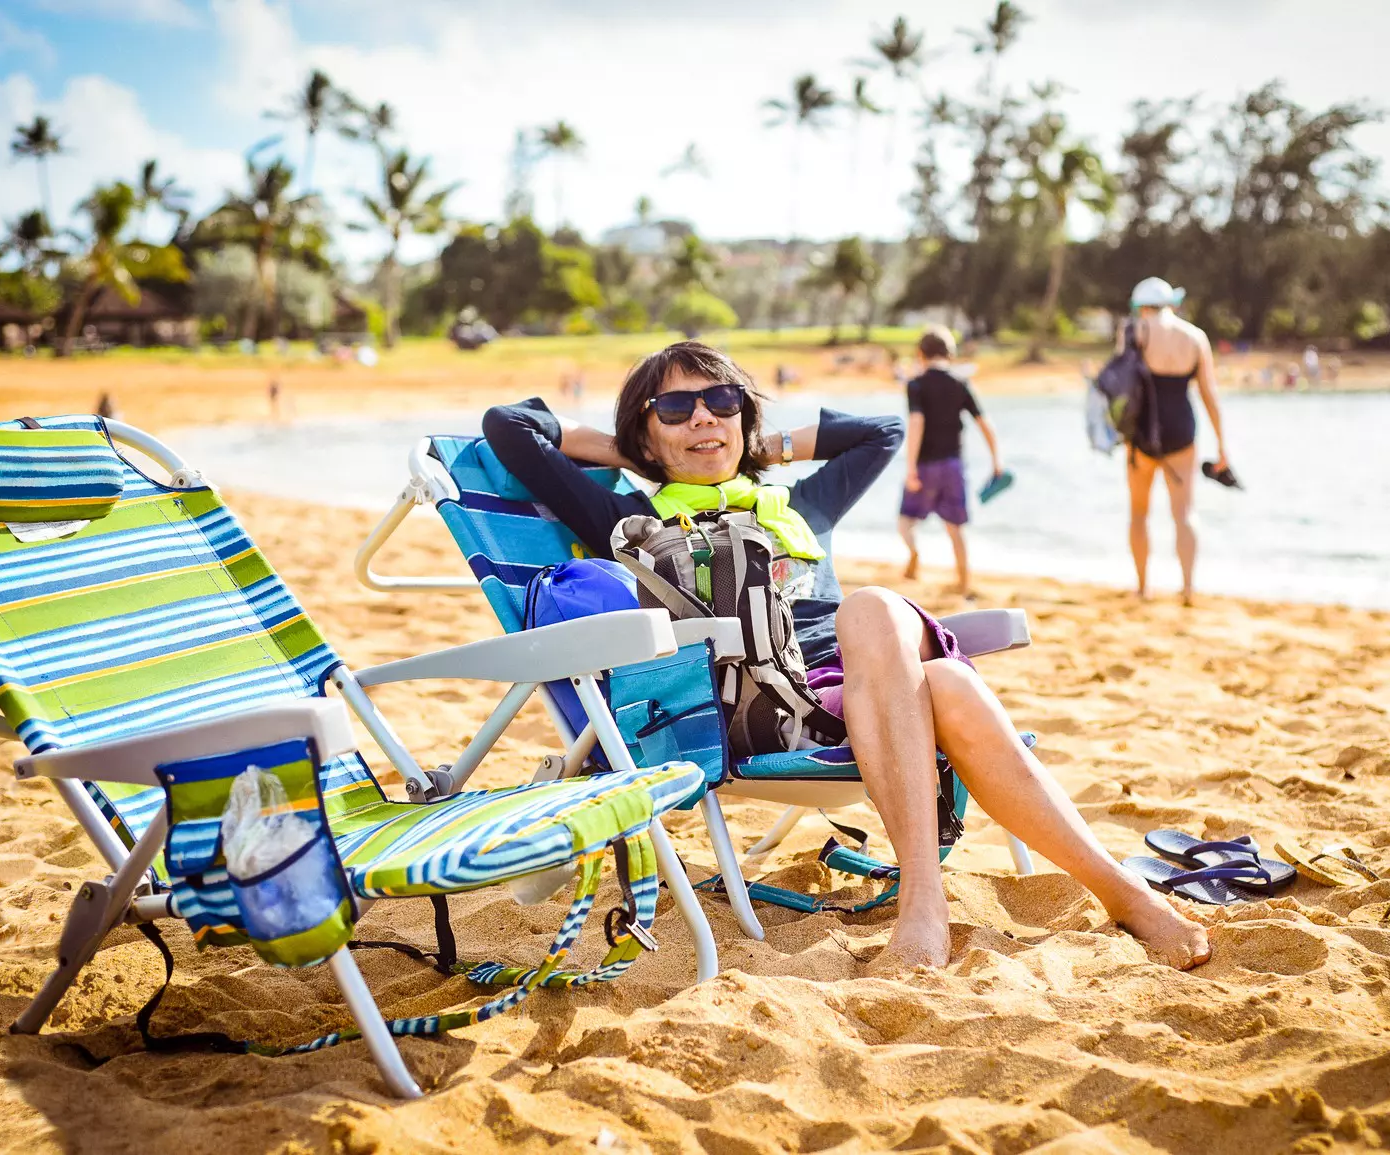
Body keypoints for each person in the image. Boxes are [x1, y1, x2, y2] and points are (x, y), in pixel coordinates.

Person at [482, 340, 1210, 973]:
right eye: (676, 409)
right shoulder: (624, 518)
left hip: (865, 683)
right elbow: (507, 427)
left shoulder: (802, 504)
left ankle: (1061, 893)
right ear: (646, 431)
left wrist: (755, 445)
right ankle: (1021, 893)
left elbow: (883, 431)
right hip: (758, 700)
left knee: (885, 626)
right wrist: (634, 451)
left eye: (721, 401)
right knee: (931, 665)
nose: (703, 416)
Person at [1119, 278, 1229, 606]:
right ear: (1171, 303)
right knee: (1184, 513)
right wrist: (1222, 445)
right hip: (1181, 431)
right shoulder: (1195, 337)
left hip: (1141, 435)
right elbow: (1210, 394)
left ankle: (1142, 588)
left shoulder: (1134, 331)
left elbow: (1122, 386)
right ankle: (1188, 588)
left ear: (1141, 305)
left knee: (1139, 513)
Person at [899, 326, 1001, 597]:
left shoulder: (916, 385)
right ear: (950, 354)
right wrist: (996, 462)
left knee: (906, 521)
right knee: (956, 528)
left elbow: (916, 422)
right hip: (954, 465)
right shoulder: (961, 383)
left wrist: (910, 468)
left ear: (921, 354)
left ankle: (914, 553)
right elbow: (985, 424)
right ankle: (964, 581)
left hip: (925, 465)